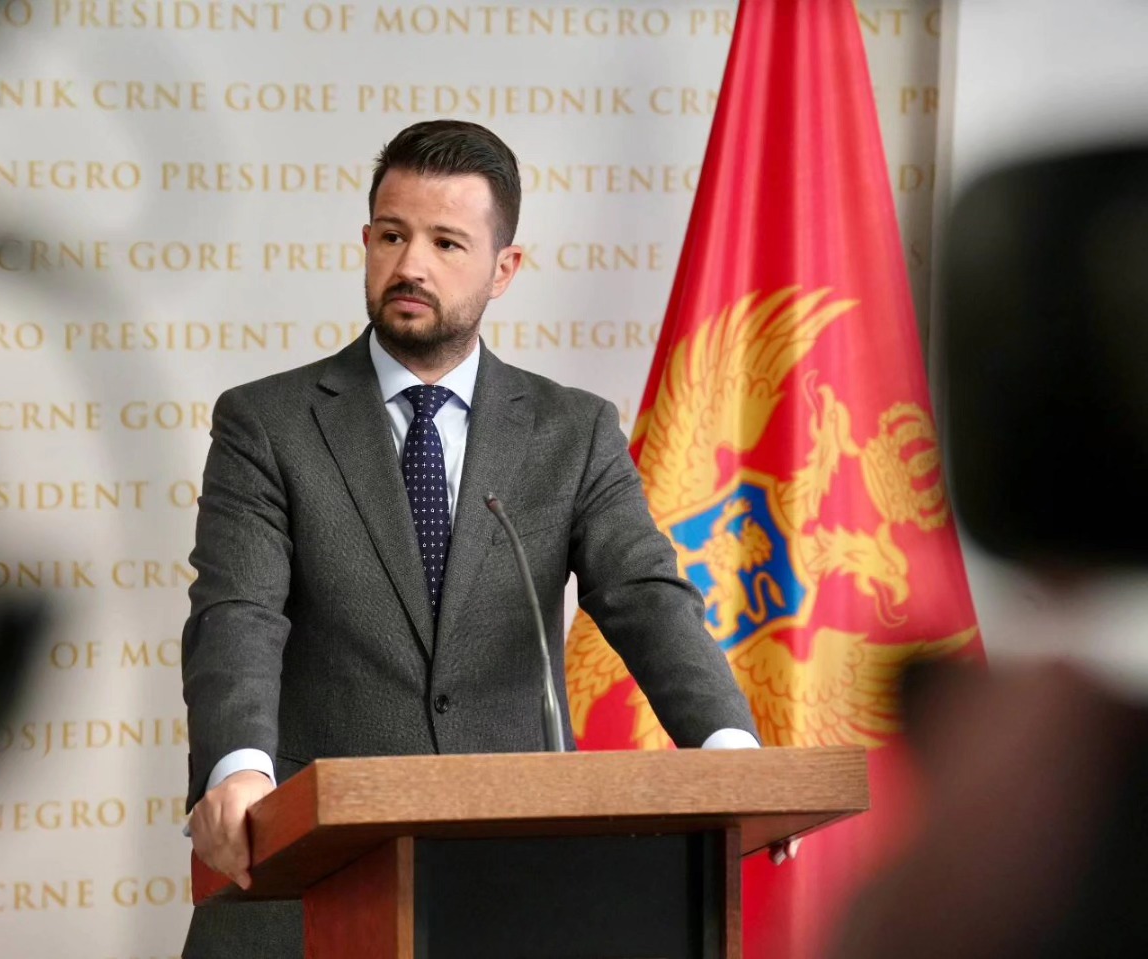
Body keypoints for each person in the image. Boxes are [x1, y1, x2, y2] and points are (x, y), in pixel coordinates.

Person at [179, 119, 762, 958]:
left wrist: (729, 748)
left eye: (446, 242)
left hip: (511, 883)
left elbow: (643, 596)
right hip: (306, 877)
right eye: (391, 235)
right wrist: (239, 770)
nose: (410, 264)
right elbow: (237, 613)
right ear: (366, 243)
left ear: (503, 268)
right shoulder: (266, 423)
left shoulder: (572, 431)